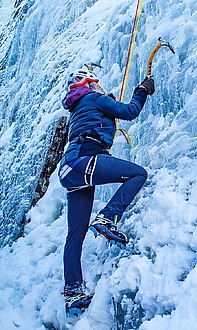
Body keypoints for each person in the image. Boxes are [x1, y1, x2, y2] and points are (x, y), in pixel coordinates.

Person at [58, 66, 154, 314]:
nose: (100, 86)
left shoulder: (77, 107)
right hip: (84, 160)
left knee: (75, 236)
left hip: (70, 170)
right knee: (138, 173)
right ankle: (107, 218)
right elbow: (130, 111)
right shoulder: (94, 97)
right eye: (97, 83)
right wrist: (142, 90)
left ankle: (72, 293)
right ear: (90, 84)